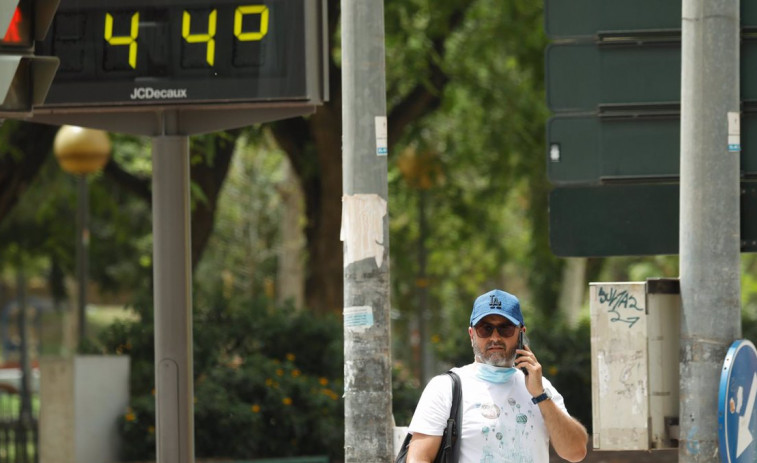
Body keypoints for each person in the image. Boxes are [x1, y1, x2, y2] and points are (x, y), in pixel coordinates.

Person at [406, 289, 588, 463]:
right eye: (485, 329)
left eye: (505, 328)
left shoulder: (541, 387)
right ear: (472, 334)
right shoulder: (446, 387)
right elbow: (418, 458)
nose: (495, 337)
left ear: (521, 334)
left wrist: (540, 395)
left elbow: (576, 452)